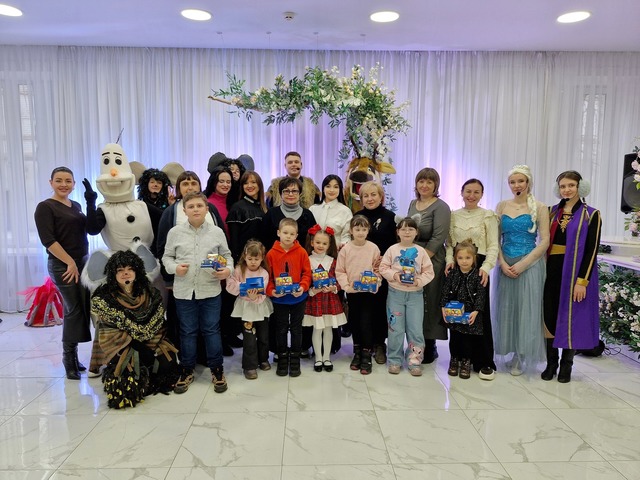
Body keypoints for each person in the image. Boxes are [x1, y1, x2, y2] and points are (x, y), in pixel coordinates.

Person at [162, 192, 233, 394]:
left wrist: (227, 270)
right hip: (184, 292)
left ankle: (217, 369)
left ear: (206, 209)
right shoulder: (175, 232)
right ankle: (186, 369)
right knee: (187, 331)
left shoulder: (217, 232)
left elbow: (227, 256)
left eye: (199, 206)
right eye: (191, 206)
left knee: (211, 330)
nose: (195, 209)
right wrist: (175, 268)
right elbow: (166, 257)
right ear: (184, 210)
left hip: (210, 290)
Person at [90, 250, 179, 408]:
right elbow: (109, 332)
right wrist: (137, 345)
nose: (125, 273)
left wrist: (149, 343)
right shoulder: (105, 298)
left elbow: (159, 322)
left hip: (152, 340)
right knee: (126, 377)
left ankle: (149, 379)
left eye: (130, 269)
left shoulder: (150, 293)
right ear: (113, 274)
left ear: (137, 271)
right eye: (120, 270)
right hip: (122, 345)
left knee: (168, 363)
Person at [542, 171, 601, 383]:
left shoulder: (591, 214)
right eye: (562, 186)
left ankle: (566, 365)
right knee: (549, 314)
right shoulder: (550, 212)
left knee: (571, 317)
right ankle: (551, 363)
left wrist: (582, 281)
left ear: (580, 187)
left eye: (571, 185)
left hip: (575, 272)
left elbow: (592, 250)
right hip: (551, 270)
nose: (566, 190)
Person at [156, 170, 224, 351]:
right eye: (185, 184)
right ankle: (187, 358)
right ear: (178, 188)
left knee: (210, 325)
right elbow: (162, 248)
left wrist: (222, 269)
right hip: (182, 280)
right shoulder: (171, 212)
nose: (190, 187)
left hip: (209, 279)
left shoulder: (211, 209)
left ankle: (207, 357)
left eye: (194, 183)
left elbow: (222, 245)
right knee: (186, 326)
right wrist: (169, 278)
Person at [34, 167, 92, 380]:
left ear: (74, 184)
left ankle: (74, 357)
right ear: (51, 182)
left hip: (81, 262)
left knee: (82, 308)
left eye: (68, 181)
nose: (63, 184)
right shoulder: (45, 207)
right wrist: (69, 262)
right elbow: (48, 240)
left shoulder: (75, 206)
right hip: (62, 265)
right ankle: (68, 359)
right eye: (59, 180)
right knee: (73, 309)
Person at [494, 165, 549, 376]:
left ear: (528, 183)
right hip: (506, 263)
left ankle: (522, 354)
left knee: (527, 310)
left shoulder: (540, 207)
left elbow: (545, 241)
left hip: (530, 265)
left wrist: (523, 264)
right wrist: (502, 263)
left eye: (520, 181)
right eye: (512, 182)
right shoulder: (501, 206)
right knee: (508, 308)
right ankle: (510, 350)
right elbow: (495, 239)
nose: (516, 185)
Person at [444, 179, 499, 380]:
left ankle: (483, 361)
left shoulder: (488, 215)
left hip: (479, 266)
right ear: (461, 192)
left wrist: (486, 267)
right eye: (468, 191)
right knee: (457, 311)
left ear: (481, 194)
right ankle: (459, 357)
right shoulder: (453, 215)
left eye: (476, 192)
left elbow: (493, 245)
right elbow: (449, 244)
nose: (471, 195)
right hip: (458, 265)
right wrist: (450, 261)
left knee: (478, 312)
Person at [379, 217, 434, 376]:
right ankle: (394, 360)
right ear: (398, 232)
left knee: (415, 329)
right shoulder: (392, 250)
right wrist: (394, 275)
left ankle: (414, 360)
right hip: (395, 294)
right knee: (395, 328)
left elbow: (429, 272)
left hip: (415, 296)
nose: (407, 232)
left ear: (416, 232)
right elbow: (383, 267)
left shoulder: (421, 251)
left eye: (411, 229)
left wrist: (418, 281)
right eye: (403, 229)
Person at [407, 167, 451, 364]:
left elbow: (438, 237)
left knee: (430, 301)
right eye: (421, 181)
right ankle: (415, 343)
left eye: (429, 182)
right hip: (412, 257)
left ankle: (430, 345)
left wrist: (420, 260)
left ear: (436, 185)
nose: (424, 185)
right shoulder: (412, 204)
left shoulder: (441, 207)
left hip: (431, 259)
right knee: (414, 301)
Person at [265, 218, 312, 377]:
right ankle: (282, 357)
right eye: (285, 232)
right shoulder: (271, 254)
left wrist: (303, 287)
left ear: (296, 235)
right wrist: (272, 291)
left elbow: (307, 273)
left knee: (297, 329)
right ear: (278, 233)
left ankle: (295, 358)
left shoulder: (302, 252)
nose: (288, 236)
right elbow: (268, 277)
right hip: (279, 299)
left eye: (292, 234)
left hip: (298, 298)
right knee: (281, 328)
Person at [336, 215, 382, 375]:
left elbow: (378, 269)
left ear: (368, 230)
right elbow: (340, 270)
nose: (361, 232)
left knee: (366, 322)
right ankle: (357, 352)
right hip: (353, 293)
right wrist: (347, 287)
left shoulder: (373, 248)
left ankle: (366, 353)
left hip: (368, 293)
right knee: (354, 321)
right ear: (351, 231)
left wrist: (376, 282)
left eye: (364, 229)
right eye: (357, 229)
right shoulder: (346, 249)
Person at [357, 181, 397, 365]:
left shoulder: (390, 217)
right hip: (360, 270)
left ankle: (380, 344)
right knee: (362, 308)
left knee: (380, 307)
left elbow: (395, 245)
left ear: (381, 197)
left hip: (382, 270)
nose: (370, 198)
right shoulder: (357, 217)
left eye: (374, 194)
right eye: (366, 195)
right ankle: (362, 344)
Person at [226, 240, 273, 380]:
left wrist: (255, 297)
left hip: (261, 307)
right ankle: (250, 366)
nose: (253, 262)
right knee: (249, 337)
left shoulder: (264, 273)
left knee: (263, 336)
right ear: (244, 256)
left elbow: (263, 291)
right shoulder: (239, 270)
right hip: (246, 309)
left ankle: (263, 359)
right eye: (250, 258)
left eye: (256, 259)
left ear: (262, 258)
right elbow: (230, 285)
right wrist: (243, 288)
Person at [302, 225, 347, 372]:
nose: (321, 246)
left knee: (328, 329)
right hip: (315, 300)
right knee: (317, 329)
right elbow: (304, 279)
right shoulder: (307, 260)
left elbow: (340, 279)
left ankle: (326, 357)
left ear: (329, 245)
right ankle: (318, 358)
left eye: (324, 243)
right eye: (318, 242)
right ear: (312, 242)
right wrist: (312, 290)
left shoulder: (332, 261)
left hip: (330, 300)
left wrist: (334, 288)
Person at [441, 240, 488, 380]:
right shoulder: (452, 274)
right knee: (455, 338)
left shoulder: (478, 275)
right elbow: (445, 291)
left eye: (468, 258)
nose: (464, 261)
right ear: (456, 258)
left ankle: (466, 362)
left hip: (469, 314)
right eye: (460, 258)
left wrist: (476, 311)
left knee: (467, 340)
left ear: (474, 258)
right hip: (453, 314)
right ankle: (454, 360)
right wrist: (443, 307)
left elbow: (481, 295)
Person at [262, 177, 317, 251]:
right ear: (280, 194)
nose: (290, 194)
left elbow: (313, 240)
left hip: (301, 257)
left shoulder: (308, 214)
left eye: (294, 191)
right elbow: (264, 240)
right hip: (275, 256)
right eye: (286, 191)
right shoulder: (271, 214)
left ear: (300, 194)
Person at [227, 171, 268, 264]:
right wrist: (237, 262)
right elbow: (234, 241)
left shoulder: (265, 208)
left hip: (261, 259)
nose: (249, 186)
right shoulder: (237, 208)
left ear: (259, 185)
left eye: (253, 182)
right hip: (244, 260)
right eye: (246, 183)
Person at [309, 174, 353, 247]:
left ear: (340, 190)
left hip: (336, 251)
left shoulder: (345, 211)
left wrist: (343, 247)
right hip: (314, 251)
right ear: (323, 188)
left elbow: (346, 236)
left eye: (336, 187)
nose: (332, 190)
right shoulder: (313, 209)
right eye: (328, 186)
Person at [204, 165, 235, 237]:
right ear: (214, 182)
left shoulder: (234, 203)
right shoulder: (207, 204)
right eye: (221, 181)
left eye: (228, 182)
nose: (225, 185)